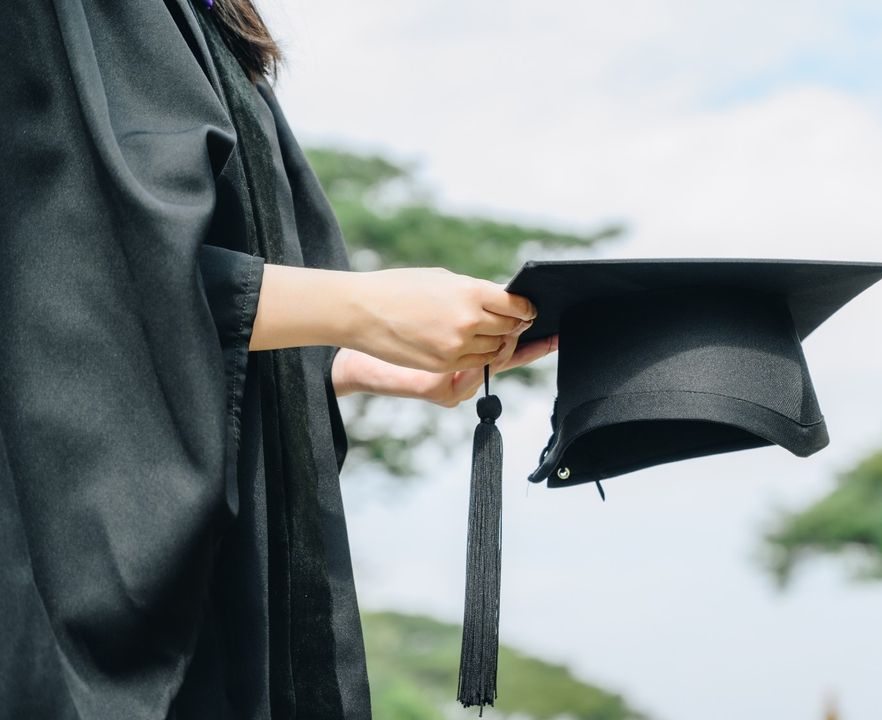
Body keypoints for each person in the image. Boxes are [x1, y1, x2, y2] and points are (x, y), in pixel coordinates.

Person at [0, 0, 555, 717]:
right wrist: (361, 308)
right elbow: (64, 280)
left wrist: (347, 361)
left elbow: (213, 295)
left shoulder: (211, 22)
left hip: (250, 583)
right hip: (79, 610)